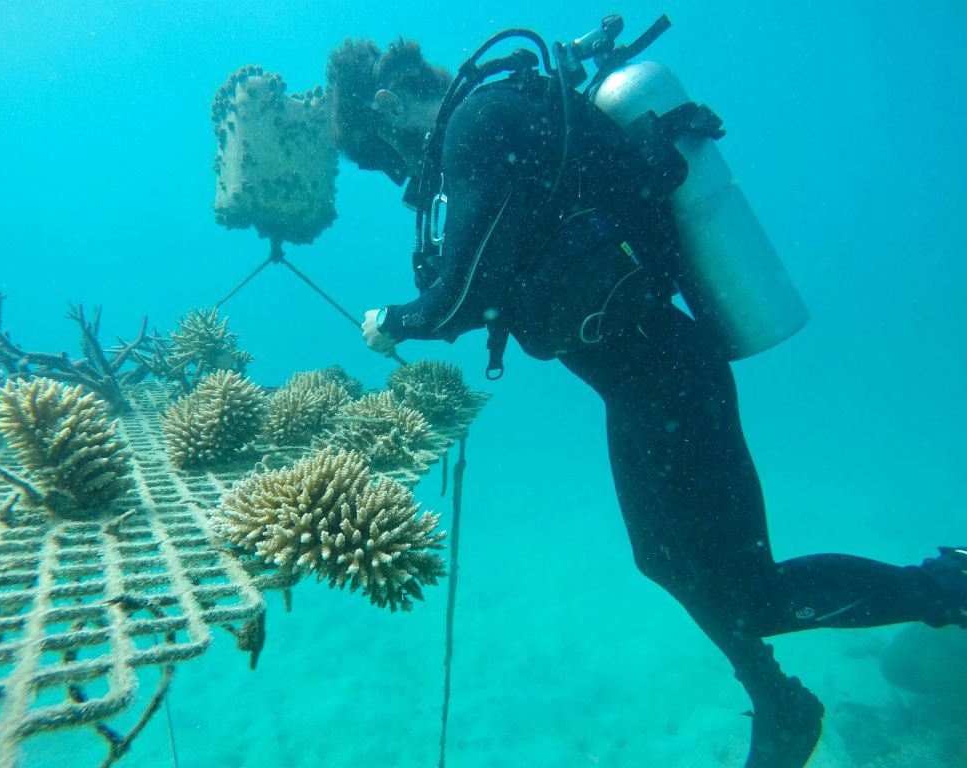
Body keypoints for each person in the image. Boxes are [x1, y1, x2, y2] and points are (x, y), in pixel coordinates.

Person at [324, 35, 967, 768]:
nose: (408, 176)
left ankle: (947, 587)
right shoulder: (508, 116)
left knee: (753, 594)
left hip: (671, 384)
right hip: (643, 390)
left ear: (386, 106)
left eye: (391, 159)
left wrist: (392, 322)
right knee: (661, 559)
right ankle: (780, 699)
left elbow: (461, 297)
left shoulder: (479, 123)